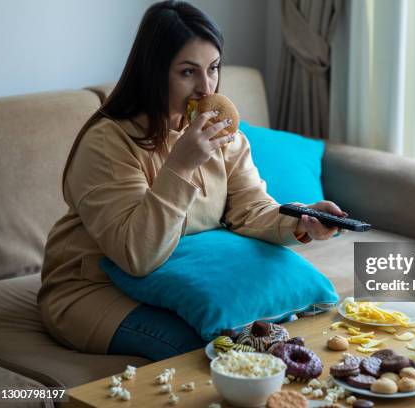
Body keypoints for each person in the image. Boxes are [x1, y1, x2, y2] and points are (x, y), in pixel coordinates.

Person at [38, 0, 345, 361]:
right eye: (187, 72)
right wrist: (180, 167)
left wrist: (301, 219)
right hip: (94, 287)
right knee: (215, 352)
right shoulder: (108, 143)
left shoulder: (223, 136)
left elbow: (251, 210)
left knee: (274, 335)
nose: (206, 87)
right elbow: (137, 255)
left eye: (213, 68)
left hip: (179, 278)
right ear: (154, 72)